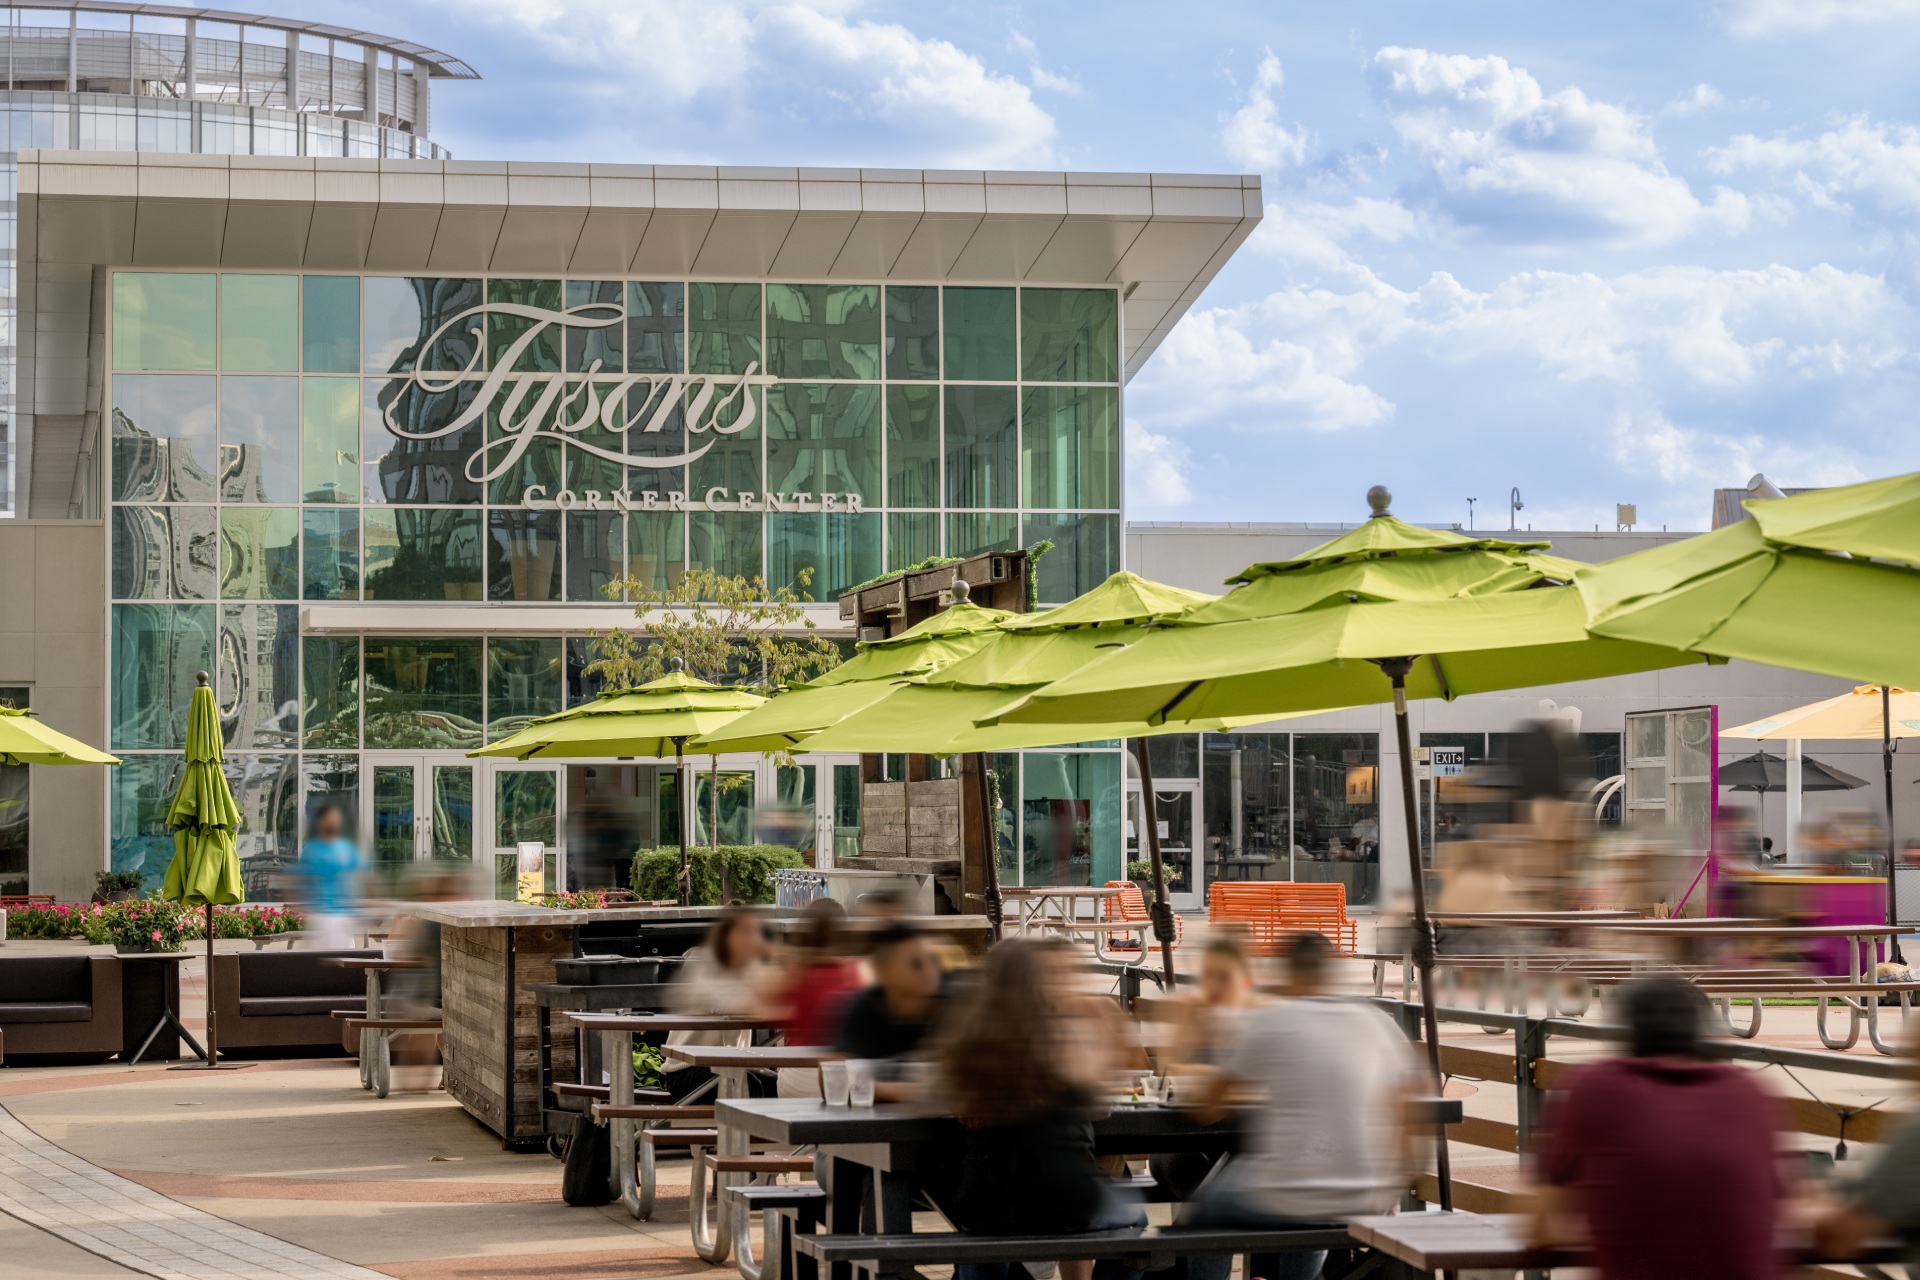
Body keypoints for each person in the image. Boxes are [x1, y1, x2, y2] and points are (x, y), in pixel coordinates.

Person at [1184, 932, 1418, 1280]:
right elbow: (1412, 1109)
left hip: (1293, 1191)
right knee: (1311, 1199)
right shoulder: (1377, 1022)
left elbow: (1207, 1109)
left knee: (1206, 1213)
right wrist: (1390, 1185)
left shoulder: (1273, 1020)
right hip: (1364, 1193)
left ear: (1288, 973)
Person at [1530, 976, 1791, 1280]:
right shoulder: (1748, 1091)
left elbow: (1542, 1224)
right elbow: (1787, 1209)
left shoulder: (1594, 1087)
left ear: (1627, 1032)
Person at [936, 936, 1144, 1280]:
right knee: (1135, 1219)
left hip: (990, 1207)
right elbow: (1100, 1107)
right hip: (1066, 1204)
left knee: (977, 1227)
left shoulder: (968, 1041)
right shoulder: (1062, 1038)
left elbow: (949, 1099)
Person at [1150, 935, 1263, 1201]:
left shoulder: (1261, 1017)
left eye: (1224, 977)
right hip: (1185, 1143)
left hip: (1248, 1150)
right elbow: (1168, 1076)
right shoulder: (1189, 1013)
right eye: (1208, 975)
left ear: (1247, 980)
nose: (1213, 985)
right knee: (1185, 1170)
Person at [662, 907, 776, 1100]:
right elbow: (727, 1005)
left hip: (725, 1067)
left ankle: (764, 1131)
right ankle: (744, 1131)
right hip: (687, 1071)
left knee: (773, 1083)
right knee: (750, 1085)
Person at [833, 922, 944, 1101]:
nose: (929, 971)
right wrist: (921, 1092)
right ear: (883, 971)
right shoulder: (866, 1008)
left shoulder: (954, 1006)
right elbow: (834, 1081)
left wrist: (871, 1088)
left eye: (933, 961)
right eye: (916, 964)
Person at [771, 898, 864, 1097]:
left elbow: (766, 1010)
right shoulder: (855, 970)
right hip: (844, 1081)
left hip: (797, 1079)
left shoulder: (795, 970)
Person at [298, 804, 363, 950]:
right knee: (319, 962)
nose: (333, 822)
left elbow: (356, 881)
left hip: (343, 915)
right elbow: (304, 881)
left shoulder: (348, 849)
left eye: (336, 819)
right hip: (320, 916)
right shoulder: (310, 850)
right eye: (329, 818)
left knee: (346, 961)